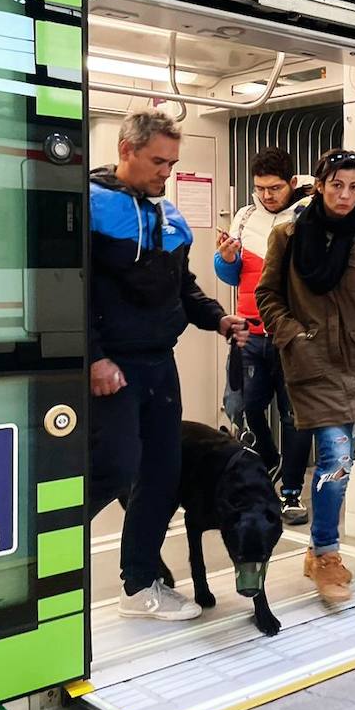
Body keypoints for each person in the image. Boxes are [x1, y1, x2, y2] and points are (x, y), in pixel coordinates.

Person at [88, 111, 249, 622]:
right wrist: (94, 357)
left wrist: (220, 320)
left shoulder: (169, 217)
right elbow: (70, 290)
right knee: (113, 467)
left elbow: (185, 289)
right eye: (158, 161)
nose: (167, 172)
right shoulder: (89, 206)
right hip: (111, 367)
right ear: (126, 150)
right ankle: (30, 555)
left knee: (162, 474)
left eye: (173, 163)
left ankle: (138, 584)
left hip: (160, 364)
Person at [256, 148, 355, 606]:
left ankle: (317, 552)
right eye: (337, 184)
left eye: (354, 186)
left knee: (341, 461)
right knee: (336, 460)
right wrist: (293, 335)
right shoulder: (287, 234)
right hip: (311, 363)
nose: (345, 195)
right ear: (320, 185)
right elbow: (268, 296)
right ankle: (325, 553)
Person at [215, 147, 312, 523]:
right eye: (259, 188)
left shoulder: (308, 214)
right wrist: (224, 258)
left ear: (292, 182)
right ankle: (270, 458)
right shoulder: (244, 216)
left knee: (295, 416)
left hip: (291, 334)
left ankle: (290, 493)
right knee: (245, 406)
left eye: (274, 188)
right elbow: (231, 274)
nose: (266, 195)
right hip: (250, 332)